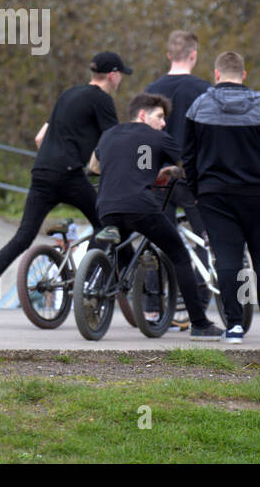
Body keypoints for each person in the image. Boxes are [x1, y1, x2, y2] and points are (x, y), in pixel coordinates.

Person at [0, 51, 130, 327]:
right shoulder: (102, 100)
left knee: (23, 237)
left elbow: (40, 137)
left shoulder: (68, 95)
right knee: (107, 224)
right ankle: (87, 286)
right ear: (113, 75)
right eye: (121, 75)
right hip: (70, 175)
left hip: (42, 172)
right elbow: (112, 144)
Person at [183, 51, 260, 344]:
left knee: (227, 260)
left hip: (215, 196)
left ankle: (234, 326)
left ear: (217, 74)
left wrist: (199, 192)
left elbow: (188, 156)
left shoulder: (199, 107)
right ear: (244, 75)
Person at [89, 93, 222, 339]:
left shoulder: (109, 134)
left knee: (119, 242)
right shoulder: (158, 137)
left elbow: (94, 167)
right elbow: (188, 164)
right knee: (180, 256)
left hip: (106, 206)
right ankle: (200, 323)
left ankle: (99, 290)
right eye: (160, 117)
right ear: (142, 114)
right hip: (141, 206)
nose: (163, 123)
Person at [145, 30, 214, 317]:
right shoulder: (205, 90)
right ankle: (194, 302)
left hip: (159, 176)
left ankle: (150, 306)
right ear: (194, 55)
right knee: (204, 239)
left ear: (168, 55)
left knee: (158, 239)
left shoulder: (151, 90)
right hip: (193, 175)